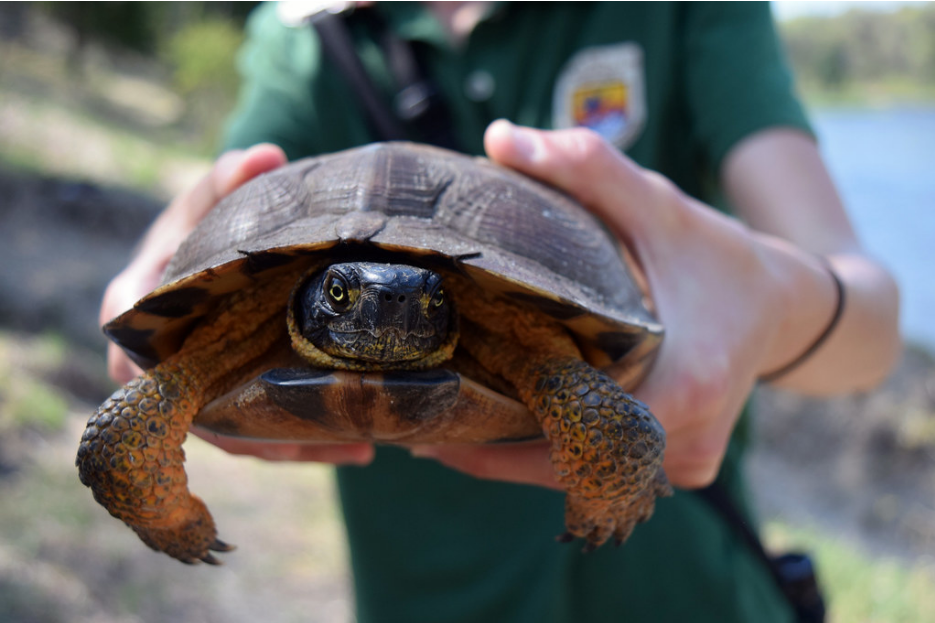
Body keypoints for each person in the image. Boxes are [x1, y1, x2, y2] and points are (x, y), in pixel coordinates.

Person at [100, 3, 900, 622]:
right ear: (311, 298)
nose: (384, 307)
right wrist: (149, 281)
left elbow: (871, 323)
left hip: (684, 588)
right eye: (345, 295)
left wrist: (780, 303)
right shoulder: (308, 33)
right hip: (433, 595)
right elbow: (210, 208)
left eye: (419, 301)